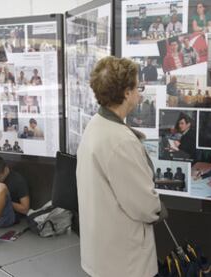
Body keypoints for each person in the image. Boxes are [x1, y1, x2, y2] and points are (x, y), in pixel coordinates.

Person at [76, 56, 166, 277]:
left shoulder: (96, 125)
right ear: (126, 93)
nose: (139, 92)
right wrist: (158, 208)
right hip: (124, 262)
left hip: (102, 252)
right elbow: (144, 205)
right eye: (137, 86)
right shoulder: (121, 141)